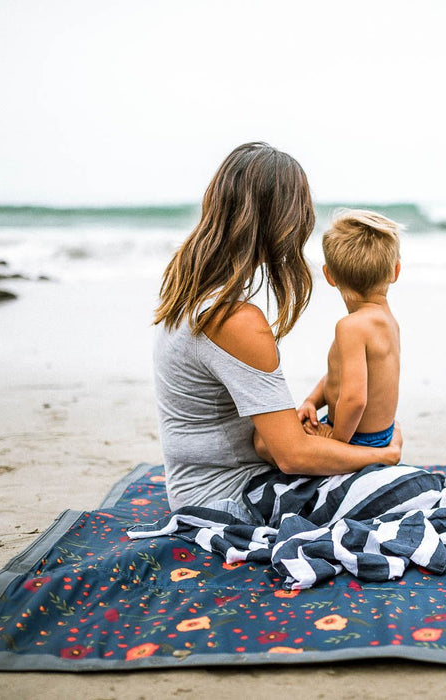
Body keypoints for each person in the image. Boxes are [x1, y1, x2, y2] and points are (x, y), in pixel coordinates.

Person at [152, 142, 402, 511]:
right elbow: (292, 457)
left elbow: (277, 443)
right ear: (281, 221)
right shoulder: (234, 320)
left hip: (208, 481)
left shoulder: (192, 289)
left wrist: (301, 422)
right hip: (227, 497)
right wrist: (384, 456)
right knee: (410, 491)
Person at [298, 210, 401, 448]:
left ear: (329, 275)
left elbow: (354, 399)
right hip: (378, 433)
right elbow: (341, 375)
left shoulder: (350, 327)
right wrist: (311, 401)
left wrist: (335, 442)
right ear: (395, 271)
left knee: (265, 443)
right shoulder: (388, 320)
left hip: (353, 437)